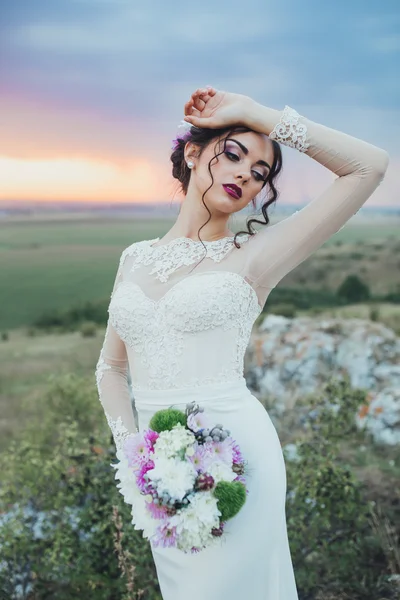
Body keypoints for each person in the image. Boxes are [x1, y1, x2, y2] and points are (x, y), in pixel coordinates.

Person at [95, 86, 389, 600]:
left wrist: (258, 115)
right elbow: (110, 371)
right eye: (232, 154)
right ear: (192, 153)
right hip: (161, 474)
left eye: (259, 173)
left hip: (237, 459)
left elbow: (369, 166)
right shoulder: (133, 258)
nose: (244, 175)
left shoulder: (256, 256)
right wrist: (137, 462)